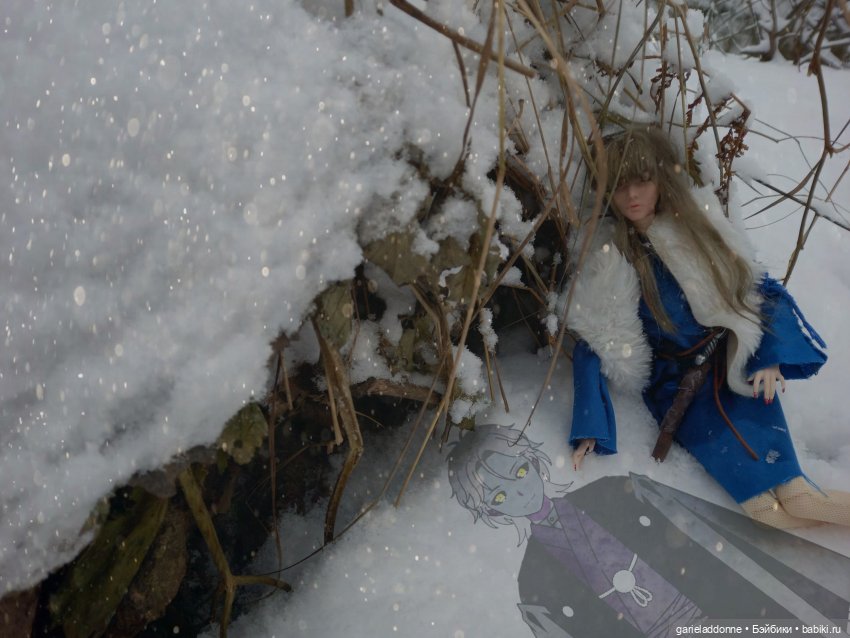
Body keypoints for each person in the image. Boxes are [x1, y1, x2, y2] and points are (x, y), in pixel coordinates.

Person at [566, 126, 850, 529]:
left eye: (643, 182)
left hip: (732, 365)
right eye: (619, 186)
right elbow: (595, 339)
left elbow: (756, 291)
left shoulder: (695, 229)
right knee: (767, 514)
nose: (632, 196)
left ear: (661, 180)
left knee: (799, 498)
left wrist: (769, 357)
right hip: (677, 391)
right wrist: (590, 427)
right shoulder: (608, 259)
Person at [446, 424, 850, 637]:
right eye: (498, 497)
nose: (518, 491)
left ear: (534, 463)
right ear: (491, 513)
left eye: (518, 471)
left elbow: (716, 535)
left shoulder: (614, 491)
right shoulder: (533, 579)